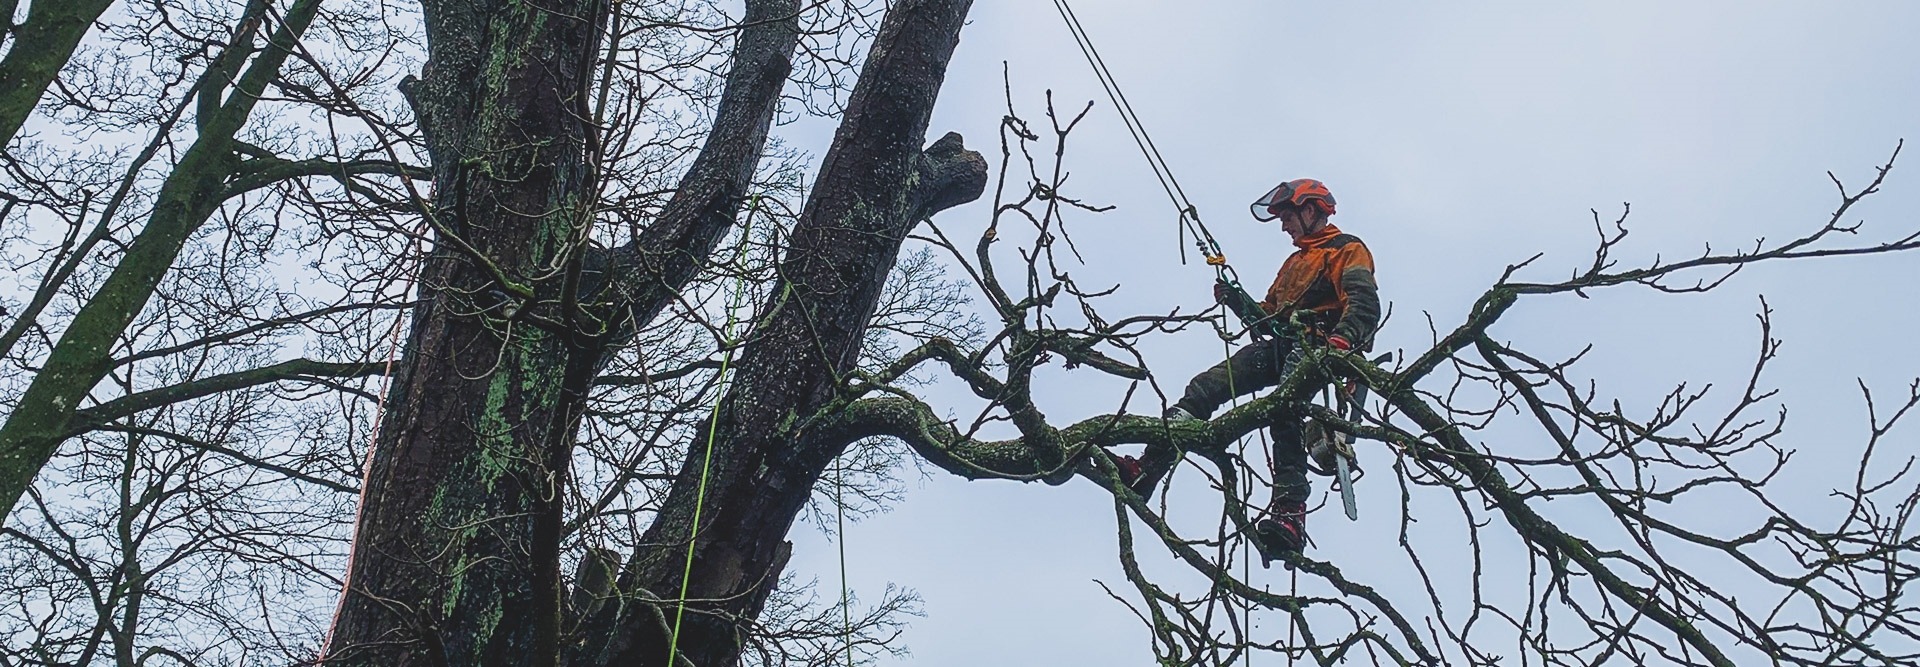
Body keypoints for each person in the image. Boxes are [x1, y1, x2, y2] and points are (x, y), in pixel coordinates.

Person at [1116, 178, 1381, 559]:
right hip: (1282, 343)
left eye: (1288, 217)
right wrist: (1237, 300)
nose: (1284, 226)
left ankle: (1290, 511)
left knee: (1284, 410)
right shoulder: (1296, 262)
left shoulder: (1346, 250)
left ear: (1310, 211)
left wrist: (1342, 341)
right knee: (1205, 388)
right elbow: (1266, 321)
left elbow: (1363, 303)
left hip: (1318, 344)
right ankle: (1148, 467)